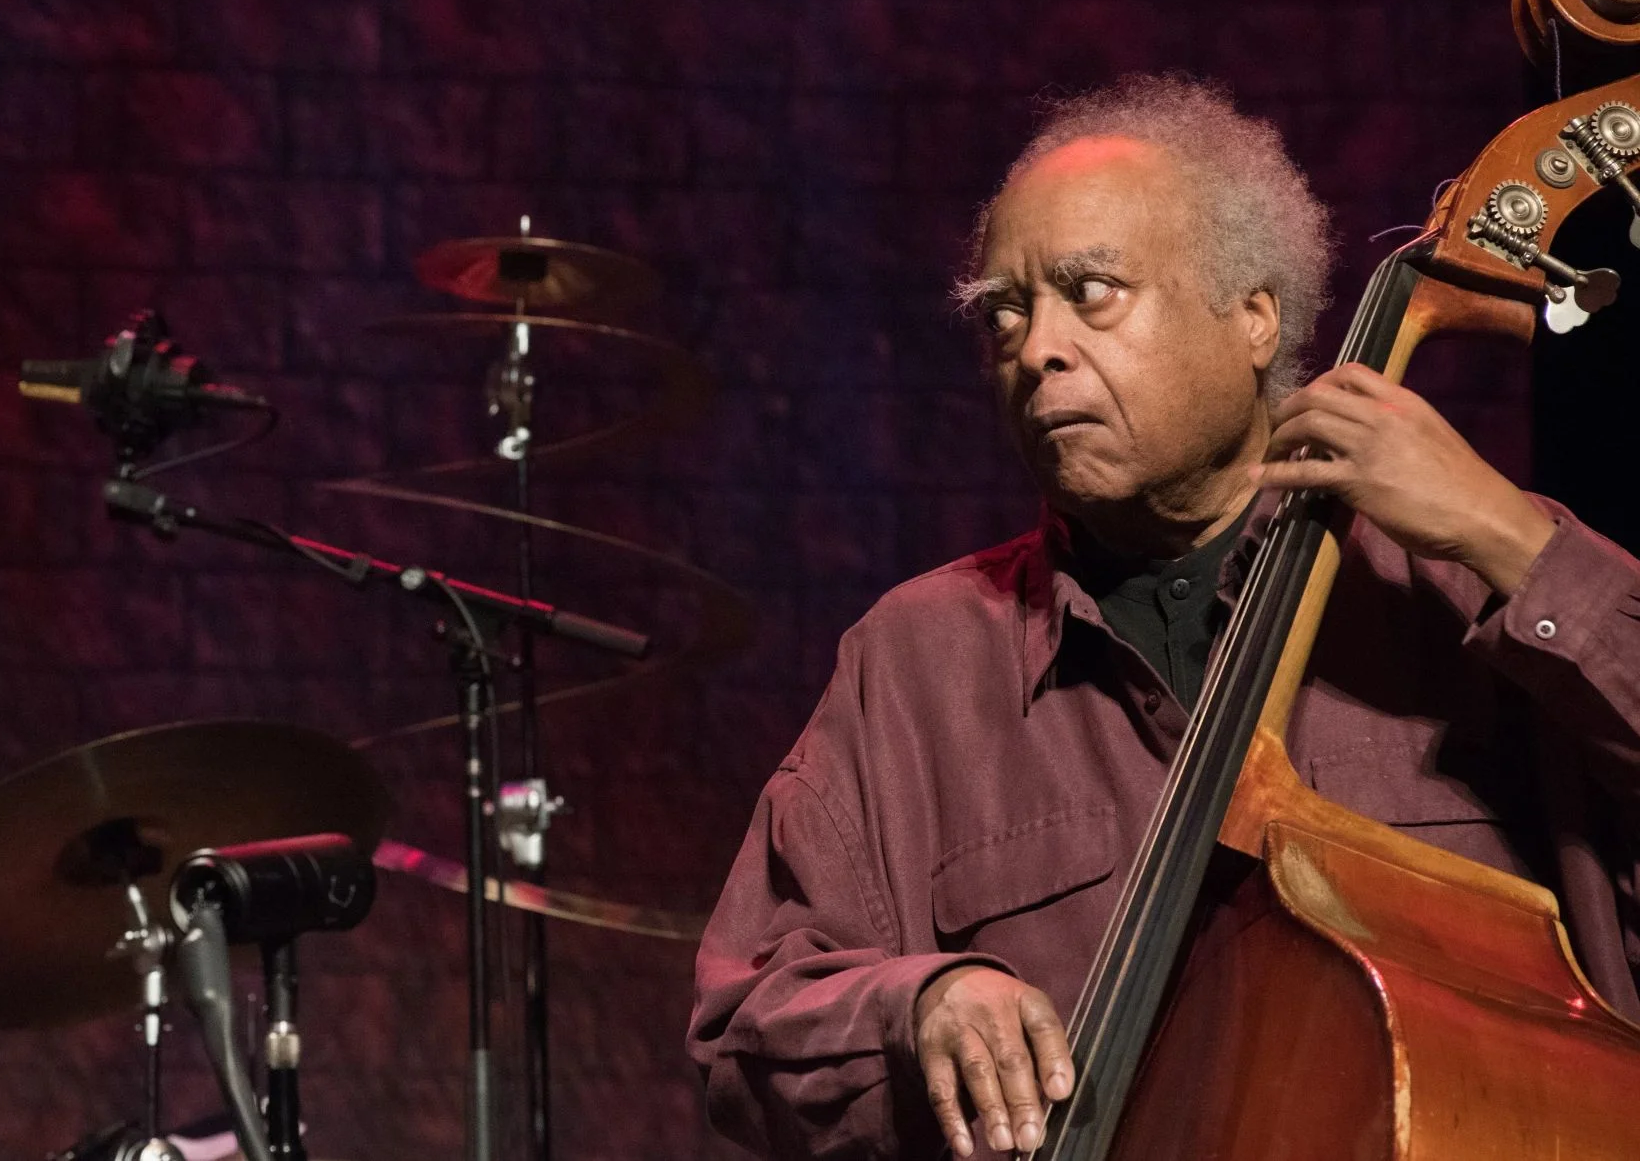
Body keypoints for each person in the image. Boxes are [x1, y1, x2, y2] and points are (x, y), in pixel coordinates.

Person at [687, 74, 1640, 1161]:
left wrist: (1512, 545)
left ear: (1251, 316)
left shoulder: (1468, 574)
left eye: (1089, 290)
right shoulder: (917, 662)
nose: (1034, 346)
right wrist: (917, 1004)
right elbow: (739, 1030)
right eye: (1004, 310)